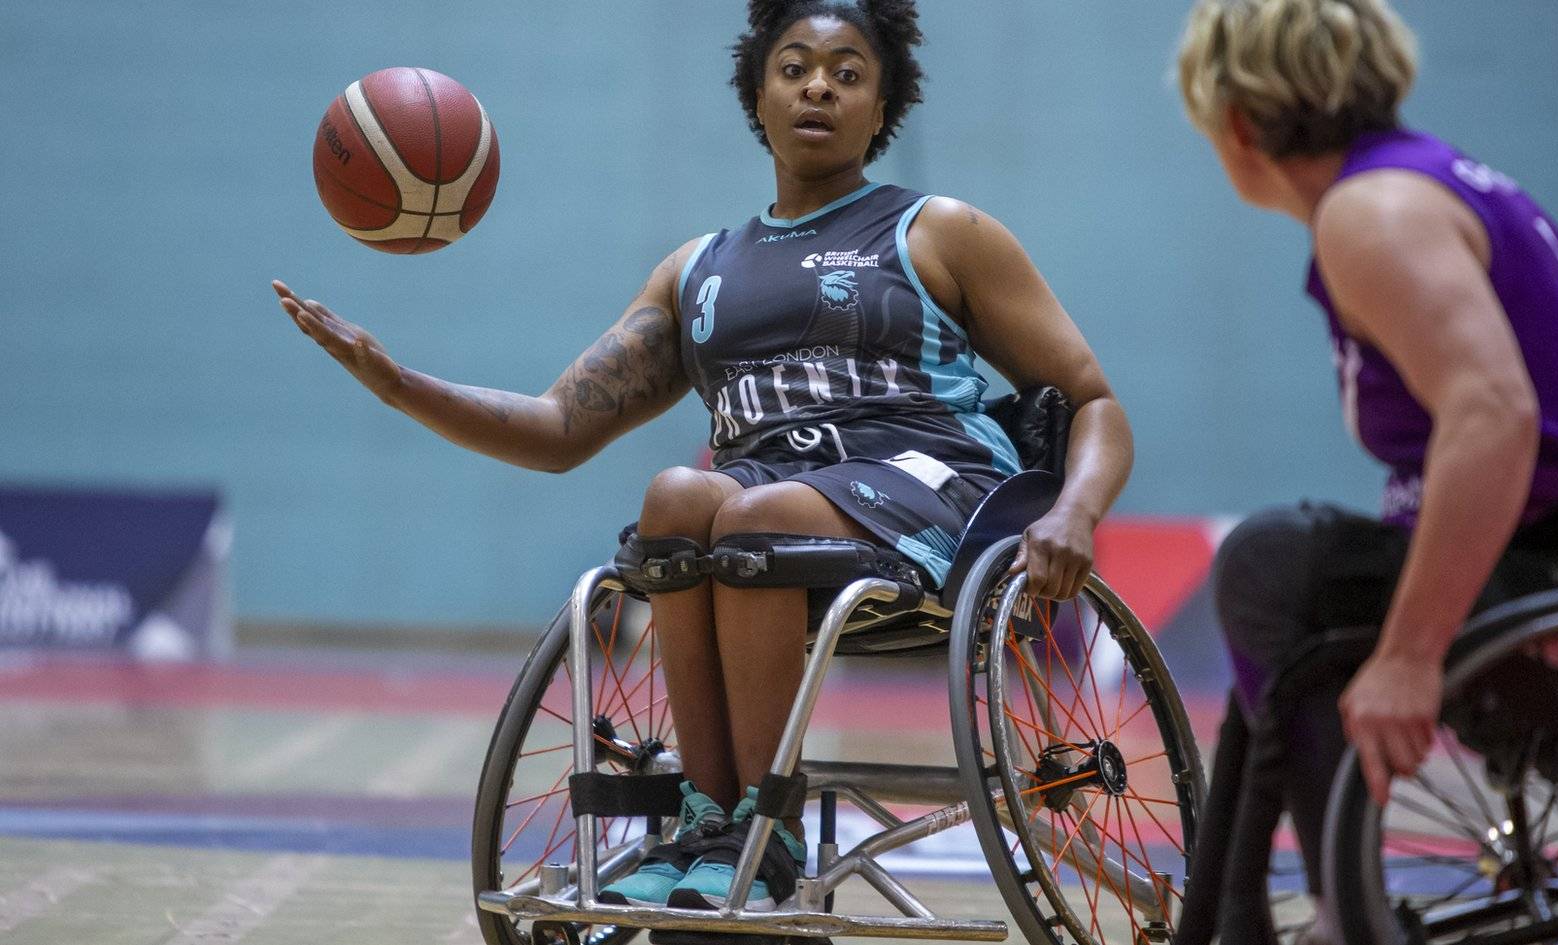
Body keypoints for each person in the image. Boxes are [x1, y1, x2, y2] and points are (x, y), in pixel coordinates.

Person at [274, 0, 1129, 916]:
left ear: (884, 110)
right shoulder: (700, 270)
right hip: (771, 503)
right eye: (794, 66)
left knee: (749, 513)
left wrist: (1073, 510)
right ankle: (707, 820)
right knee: (676, 496)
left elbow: (1093, 400)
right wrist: (400, 382)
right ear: (756, 95)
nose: (818, 86)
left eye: (849, 74)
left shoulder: (938, 231)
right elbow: (560, 427)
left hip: (928, 488)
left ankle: (771, 832)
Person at [1174, 0, 1558, 939]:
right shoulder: (1455, 182)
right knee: (1299, 572)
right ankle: (1234, 917)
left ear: (1236, 121)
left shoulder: (1372, 210)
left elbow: (1494, 413)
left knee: (1273, 563)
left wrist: (1412, 653)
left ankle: (1346, 923)